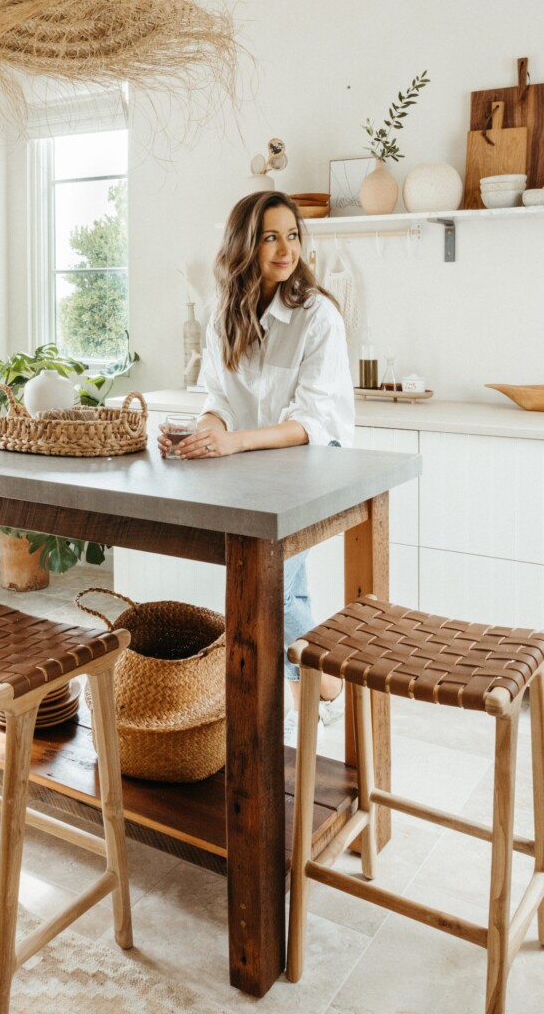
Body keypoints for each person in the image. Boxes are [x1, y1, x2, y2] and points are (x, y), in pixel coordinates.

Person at [158, 190, 353, 739]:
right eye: (271, 236)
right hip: (253, 467)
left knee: (261, 582)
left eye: (292, 235)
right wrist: (201, 436)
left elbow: (311, 421)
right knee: (283, 584)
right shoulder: (225, 315)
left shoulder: (318, 316)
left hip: (312, 465)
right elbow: (217, 399)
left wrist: (233, 443)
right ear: (246, 244)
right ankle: (321, 685)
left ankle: (259, 705)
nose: (285, 248)